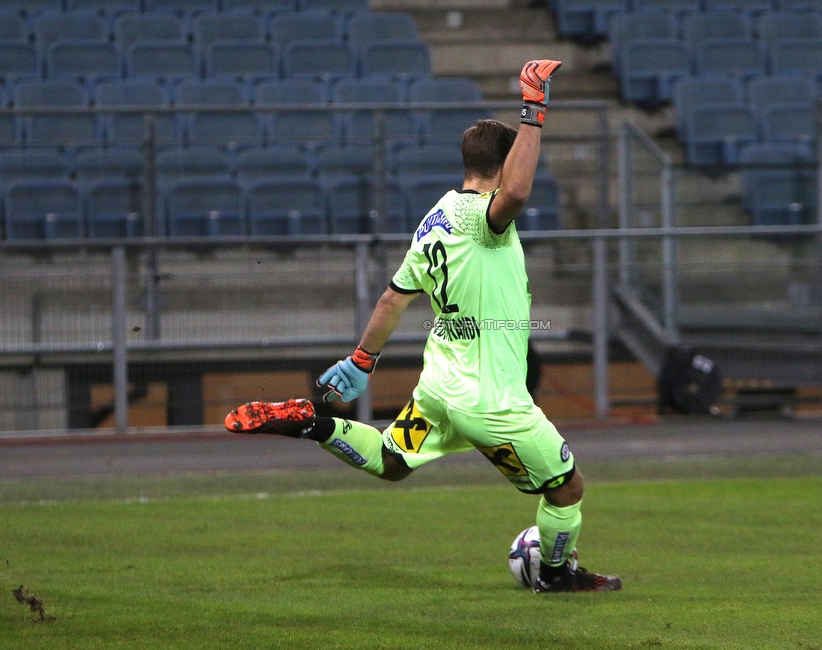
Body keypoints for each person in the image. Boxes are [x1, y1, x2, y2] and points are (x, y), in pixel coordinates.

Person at [224, 60, 621, 593]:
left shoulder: (433, 218)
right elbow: (519, 194)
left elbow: (393, 297)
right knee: (565, 489)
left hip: (440, 384)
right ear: (504, 165)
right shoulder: (484, 222)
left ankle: (310, 423)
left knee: (391, 460)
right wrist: (533, 112)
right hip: (490, 399)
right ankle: (553, 573)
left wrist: (361, 360)